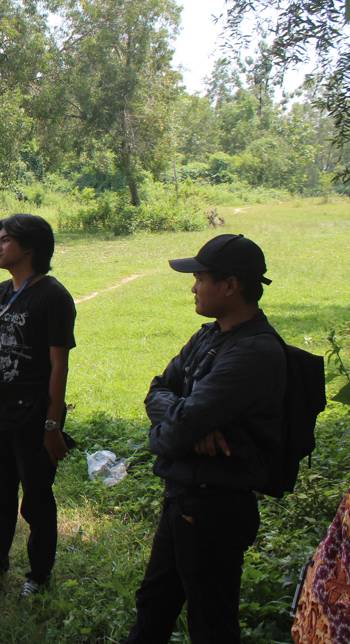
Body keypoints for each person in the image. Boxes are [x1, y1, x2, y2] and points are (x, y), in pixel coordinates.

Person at [121, 233, 286, 644]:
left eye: (201, 277)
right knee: (154, 603)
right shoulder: (209, 336)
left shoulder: (252, 353)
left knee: (211, 623)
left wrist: (176, 428)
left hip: (215, 506)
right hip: (184, 496)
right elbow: (158, 388)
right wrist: (182, 422)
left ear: (231, 285)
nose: (193, 286)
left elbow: (174, 432)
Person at [0, 213, 76, 599]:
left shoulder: (53, 296)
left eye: (5, 240)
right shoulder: (1, 291)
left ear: (29, 247)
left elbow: (59, 364)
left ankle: (40, 574)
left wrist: (52, 423)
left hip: (32, 412)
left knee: (36, 497)